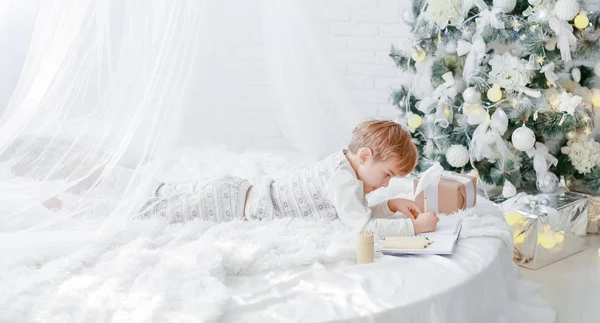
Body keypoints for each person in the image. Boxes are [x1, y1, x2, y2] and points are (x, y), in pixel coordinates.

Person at [138, 120, 439, 237]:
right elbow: (361, 226)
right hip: (230, 206)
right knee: (150, 210)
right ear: (364, 156)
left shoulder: (342, 165)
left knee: (166, 194)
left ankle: (144, 188)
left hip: (237, 191)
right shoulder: (344, 181)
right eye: (386, 174)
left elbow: (352, 213)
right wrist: (412, 227)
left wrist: (391, 204)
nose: (386, 184)